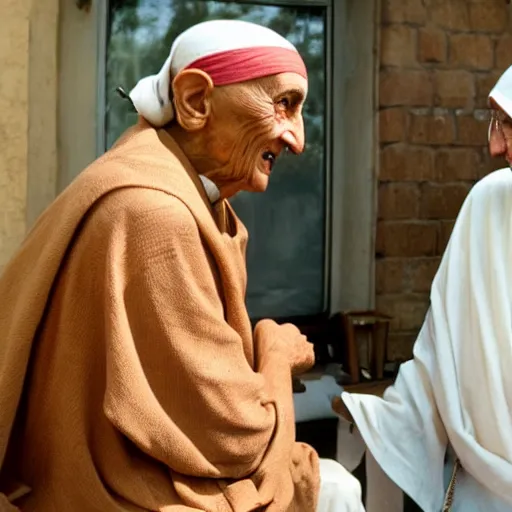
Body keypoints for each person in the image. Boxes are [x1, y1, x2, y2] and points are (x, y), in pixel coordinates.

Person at [0, 20, 364, 512]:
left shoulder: (173, 190)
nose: (297, 139)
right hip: (116, 493)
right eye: (284, 104)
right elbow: (234, 440)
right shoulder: (156, 212)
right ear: (195, 101)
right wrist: (275, 355)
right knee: (334, 488)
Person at [337, 64, 512, 512]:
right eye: (494, 122)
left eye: (508, 123)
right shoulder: (490, 206)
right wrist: (381, 419)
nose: (494, 145)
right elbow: (439, 361)